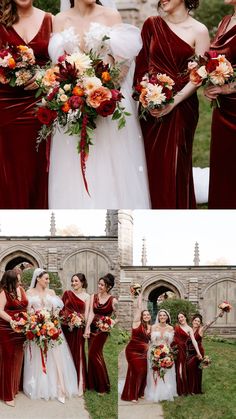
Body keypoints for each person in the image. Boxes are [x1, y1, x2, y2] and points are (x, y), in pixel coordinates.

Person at [47, 0, 150, 209]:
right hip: (73, 107)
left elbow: (123, 62)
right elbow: (57, 66)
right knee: (72, 166)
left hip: (106, 105)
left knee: (109, 164)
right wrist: (71, 94)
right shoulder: (59, 19)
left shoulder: (110, 16)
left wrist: (103, 91)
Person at [133, 0, 210, 208]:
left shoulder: (199, 30)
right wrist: (146, 96)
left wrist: (173, 101)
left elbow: (200, 75)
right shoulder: (151, 24)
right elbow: (140, 66)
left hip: (182, 108)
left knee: (173, 166)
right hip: (150, 107)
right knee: (151, 164)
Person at [0, 0, 53, 209]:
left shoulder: (50, 20)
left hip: (40, 107)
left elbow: (62, 63)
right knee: (8, 172)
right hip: (5, 107)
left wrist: (44, 77)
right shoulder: (2, 21)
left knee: (38, 169)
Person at [23, 268, 79, 402]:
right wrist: (35, 322)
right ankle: (40, 387)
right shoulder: (29, 292)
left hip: (52, 328)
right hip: (36, 329)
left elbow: (57, 310)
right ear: (38, 278)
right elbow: (27, 312)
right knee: (38, 357)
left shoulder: (51, 292)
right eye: (46, 278)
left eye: (48, 279)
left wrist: (52, 322)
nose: (48, 281)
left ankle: (58, 387)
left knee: (55, 357)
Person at [204, 0, 236, 208]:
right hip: (223, 108)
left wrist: (230, 88)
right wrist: (210, 81)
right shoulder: (225, 21)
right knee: (223, 166)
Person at [84, 273, 118, 394]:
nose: (99, 286)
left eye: (102, 285)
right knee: (92, 355)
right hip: (92, 328)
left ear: (108, 287)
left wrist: (110, 323)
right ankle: (92, 384)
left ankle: (103, 387)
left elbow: (118, 316)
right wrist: (87, 328)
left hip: (102, 331)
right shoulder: (94, 296)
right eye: (99, 284)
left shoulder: (113, 300)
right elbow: (92, 313)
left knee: (94, 354)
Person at [0, 270, 28, 407]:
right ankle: (7, 394)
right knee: (8, 359)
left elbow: (26, 306)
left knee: (18, 359)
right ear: (10, 281)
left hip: (21, 329)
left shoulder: (21, 289)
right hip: (6, 329)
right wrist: (12, 320)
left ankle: (14, 387)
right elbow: (0, 310)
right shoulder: (3, 292)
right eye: (17, 280)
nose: (20, 282)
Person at [61, 273, 90, 395]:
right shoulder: (67, 294)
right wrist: (67, 320)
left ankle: (79, 382)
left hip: (78, 329)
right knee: (65, 354)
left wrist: (79, 321)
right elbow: (61, 310)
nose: (73, 283)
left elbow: (87, 314)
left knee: (78, 353)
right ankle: (66, 382)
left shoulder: (87, 296)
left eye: (76, 281)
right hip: (66, 328)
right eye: (72, 281)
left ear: (82, 282)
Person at [121, 294, 151, 402]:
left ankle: (140, 392)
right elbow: (138, 308)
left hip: (143, 353)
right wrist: (139, 296)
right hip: (132, 351)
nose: (146, 316)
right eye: (144, 315)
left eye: (148, 314)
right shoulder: (136, 323)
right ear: (141, 316)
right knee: (136, 371)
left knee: (144, 371)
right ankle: (132, 395)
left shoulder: (151, 327)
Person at [187, 310, 224, 394]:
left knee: (193, 368)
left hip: (198, 353)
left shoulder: (201, 330)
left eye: (198, 321)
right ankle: (191, 388)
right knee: (191, 369)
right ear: (192, 321)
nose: (196, 322)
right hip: (190, 353)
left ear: (200, 323)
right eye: (195, 320)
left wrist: (218, 315)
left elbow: (210, 323)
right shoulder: (189, 329)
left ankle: (195, 390)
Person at [145, 309, 177, 402]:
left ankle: (166, 392)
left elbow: (169, 342)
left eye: (164, 315)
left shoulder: (170, 328)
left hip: (166, 352)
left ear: (167, 317)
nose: (162, 317)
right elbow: (151, 341)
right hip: (154, 351)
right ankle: (155, 391)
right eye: (160, 315)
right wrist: (156, 352)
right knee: (155, 372)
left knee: (166, 372)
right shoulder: (154, 327)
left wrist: (167, 352)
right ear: (158, 317)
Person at [173, 311, 202, 395]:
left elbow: (194, 341)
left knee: (181, 371)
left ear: (185, 317)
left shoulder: (189, 329)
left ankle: (182, 389)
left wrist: (198, 352)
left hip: (182, 351)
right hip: (175, 349)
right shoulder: (176, 327)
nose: (180, 319)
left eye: (182, 317)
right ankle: (177, 389)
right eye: (179, 318)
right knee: (175, 370)